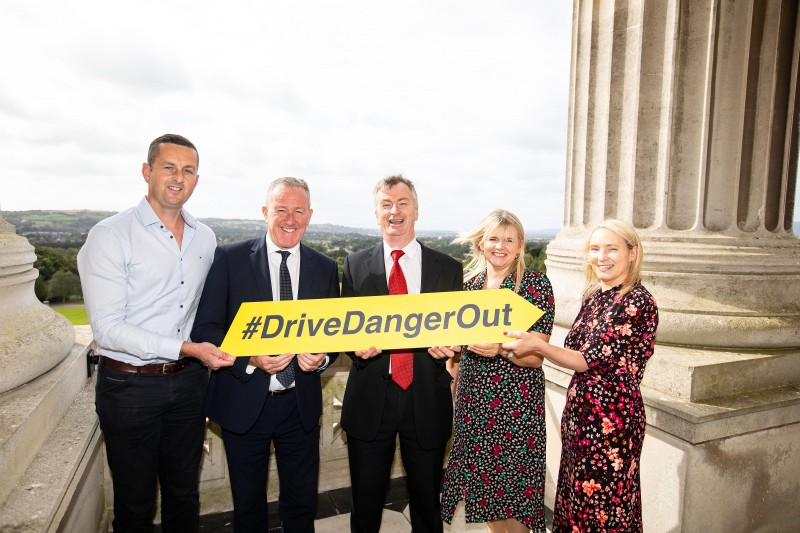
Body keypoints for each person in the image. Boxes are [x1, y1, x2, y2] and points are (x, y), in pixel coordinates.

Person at [77, 133, 235, 533]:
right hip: (130, 387)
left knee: (185, 495)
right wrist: (184, 347)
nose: (178, 177)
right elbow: (109, 330)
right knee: (135, 503)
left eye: (188, 170)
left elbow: (210, 310)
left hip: (189, 383)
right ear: (147, 172)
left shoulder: (206, 238)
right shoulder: (110, 235)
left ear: (197, 179)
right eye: (169, 167)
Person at [191, 177, 339, 533]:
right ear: (264, 212)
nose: (290, 219)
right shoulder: (230, 258)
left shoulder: (324, 267)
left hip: (299, 405)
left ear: (310, 215)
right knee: (249, 506)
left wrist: (321, 359)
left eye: (298, 211)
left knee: (302, 505)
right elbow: (206, 329)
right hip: (244, 402)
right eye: (281, 210)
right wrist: (250, 358)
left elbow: (335, 337)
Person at [503, 219, 658, 532]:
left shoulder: (638, 301)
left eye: (612, 248)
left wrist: (537, 345)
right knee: (578, 503)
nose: (602, 256)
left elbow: (586, 360)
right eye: (595, 248)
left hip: (611, 424)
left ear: (632, 253)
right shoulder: (594, 297)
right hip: (581, 419)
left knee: (606, 507)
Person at [340, 174, 463, 533]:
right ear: (376, 213)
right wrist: (354, 345)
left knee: (427, 504)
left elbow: (456, 333)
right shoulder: (355, 264)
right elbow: (346, 326)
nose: (395, 211)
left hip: (426, 398)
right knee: (365, 504)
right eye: (386, 204)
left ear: (416, 211)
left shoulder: (448, 268)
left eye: (403, 203)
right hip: (370, 399)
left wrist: (450, 348)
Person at [440, 209, 555, 533]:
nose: (500, 246)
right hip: (473, 406)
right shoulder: (469, 289)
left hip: (515, 409)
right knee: (485, 493)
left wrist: (502, 349)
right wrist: (452, 391)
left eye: (509, 239)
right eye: (493, 238)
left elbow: (536, 356)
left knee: (515, 498)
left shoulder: (535, 286)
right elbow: (457, 356)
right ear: (481, 243)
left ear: (520, 246)